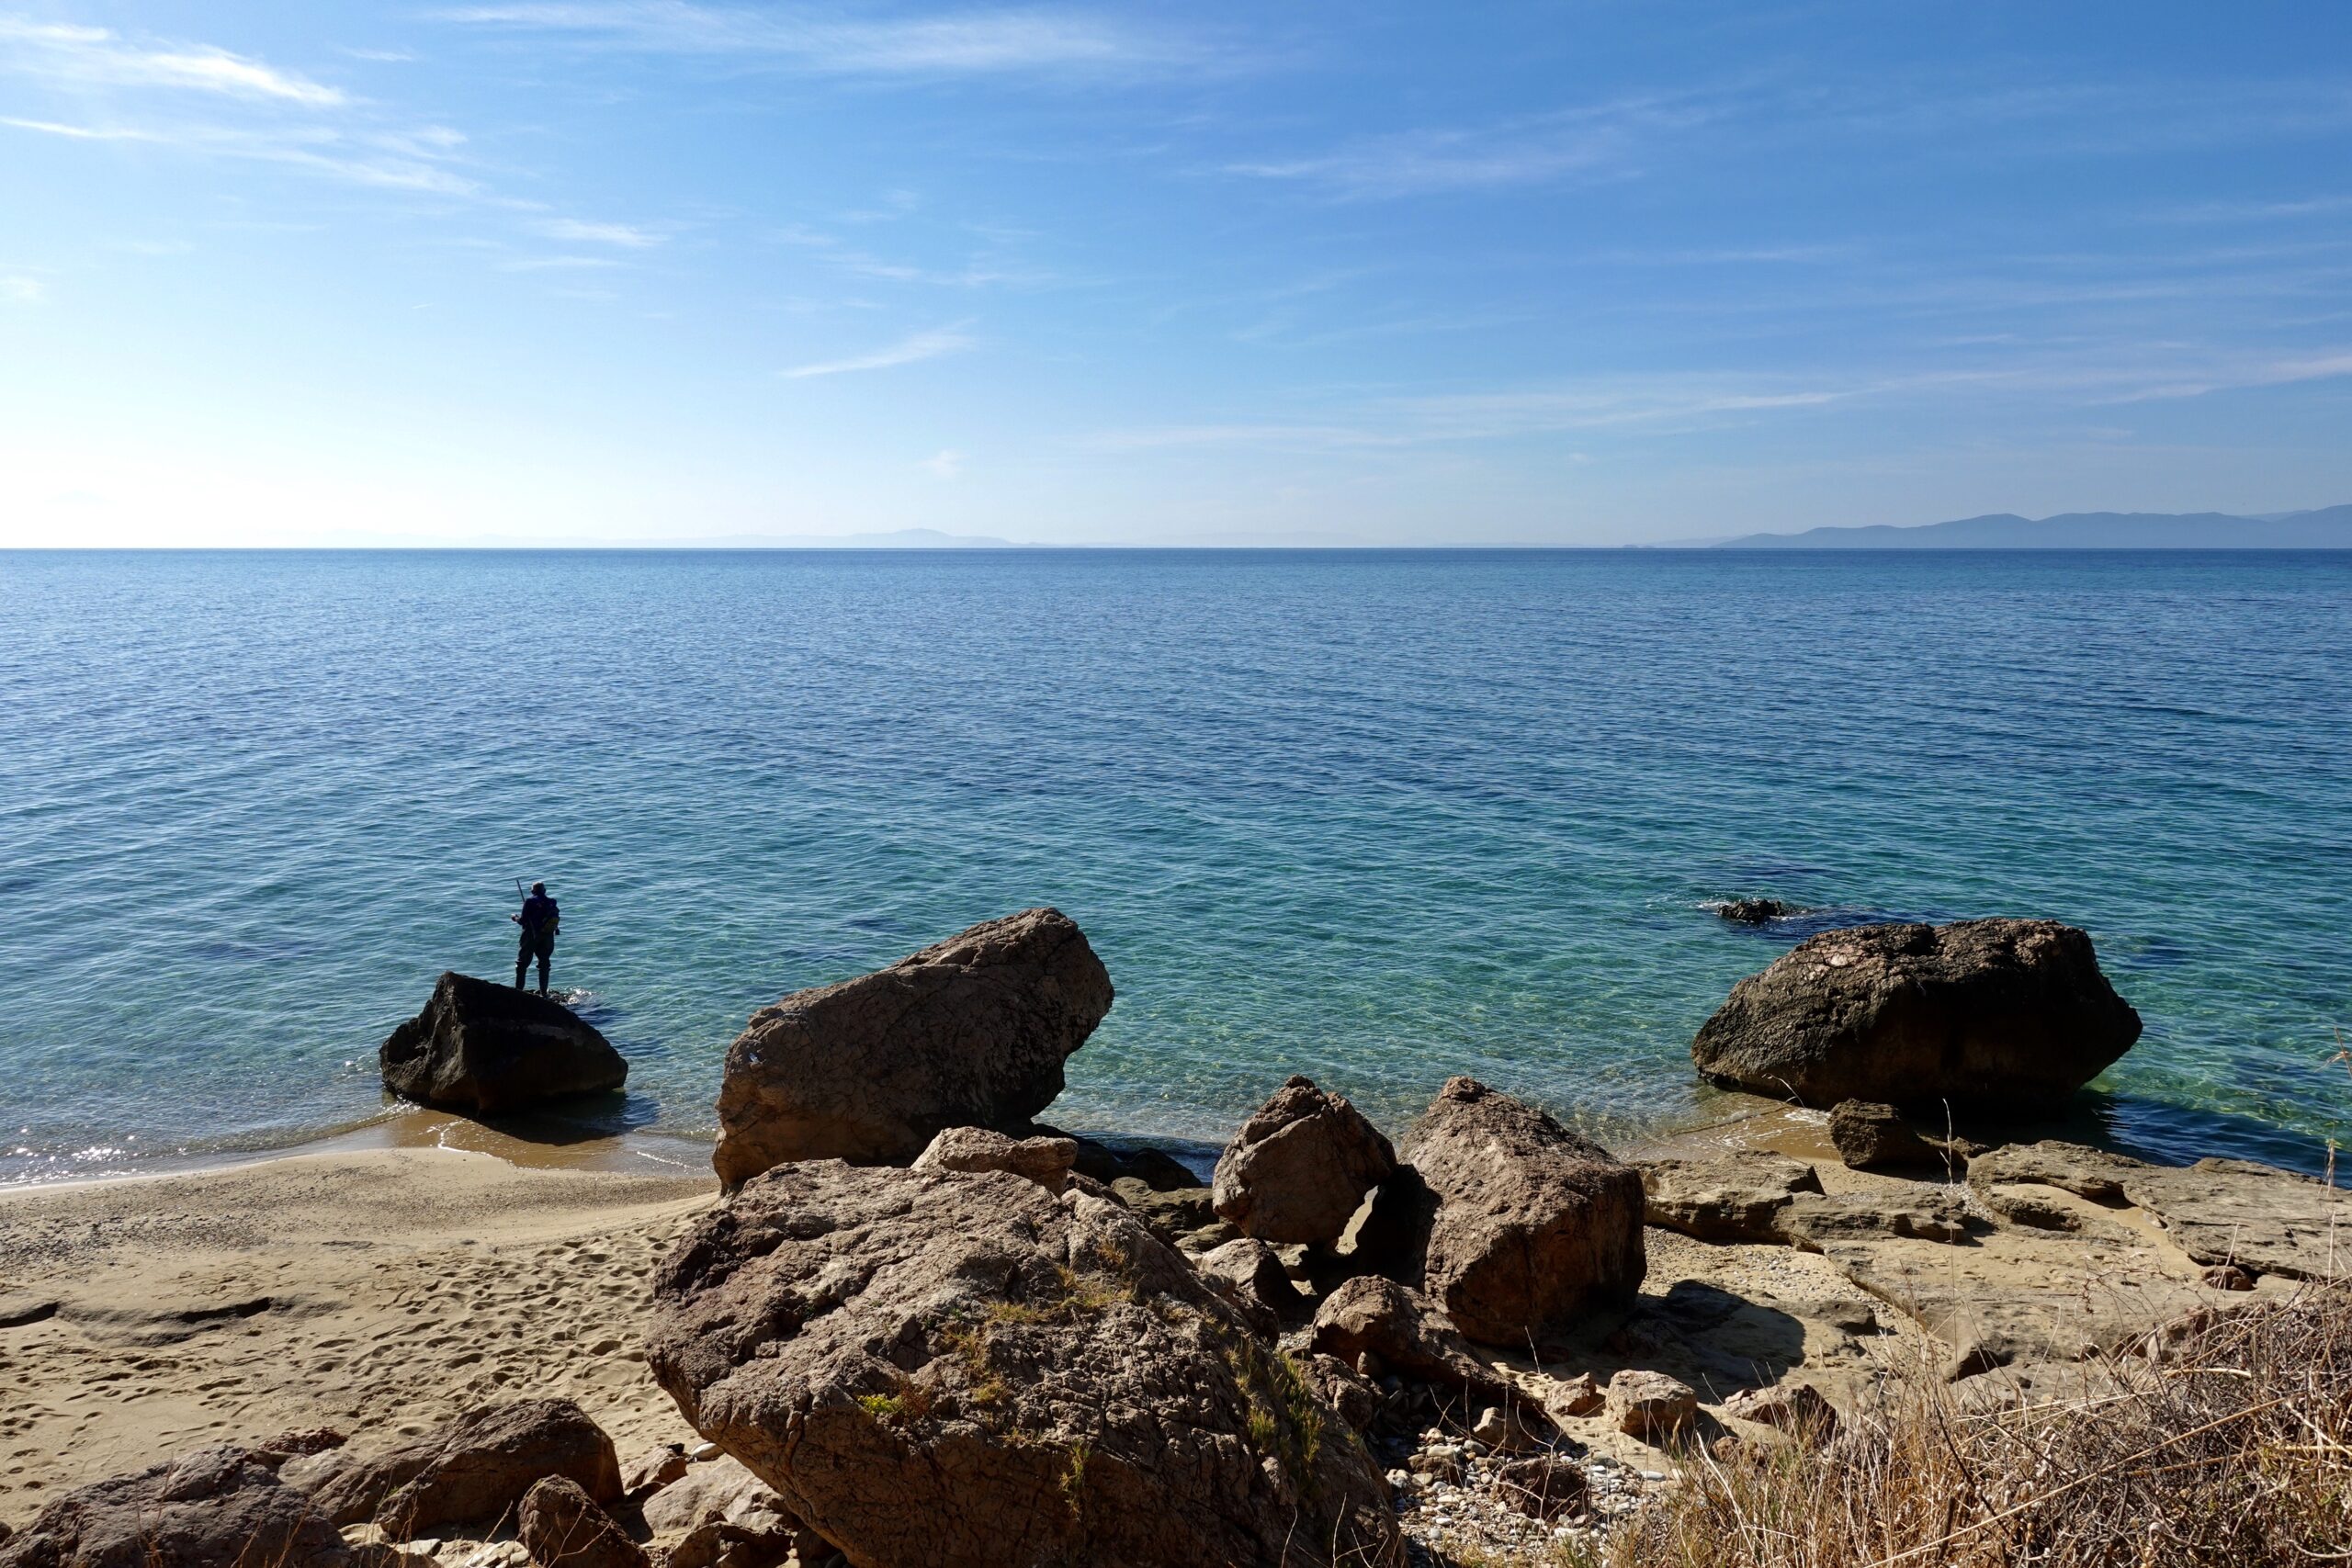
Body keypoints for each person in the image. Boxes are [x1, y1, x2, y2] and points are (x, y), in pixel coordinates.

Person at [513, 881, 560, 995]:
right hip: (547, 936)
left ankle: (518, 993)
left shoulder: (529, 902)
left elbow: (523, 921)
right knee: (544, 964)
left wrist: (514, 917)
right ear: (544, 891)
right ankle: (544, 993)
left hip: (531, 936)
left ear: (532, 891)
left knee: (522, 964)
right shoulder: (552, 902)